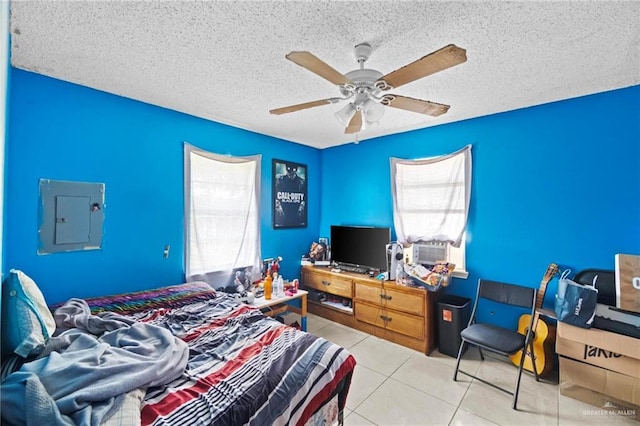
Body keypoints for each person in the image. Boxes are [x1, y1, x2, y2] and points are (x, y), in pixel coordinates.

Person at [274, 162, 306, 227]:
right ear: (286, 170)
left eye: (293, 173)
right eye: (289, 172)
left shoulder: (302, 182)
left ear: (296, 171)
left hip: (297, 217)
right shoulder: (279, 180)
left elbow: (305, 200)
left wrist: (301, 208)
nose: (291, 175)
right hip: (282, 217)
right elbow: (274, 197)